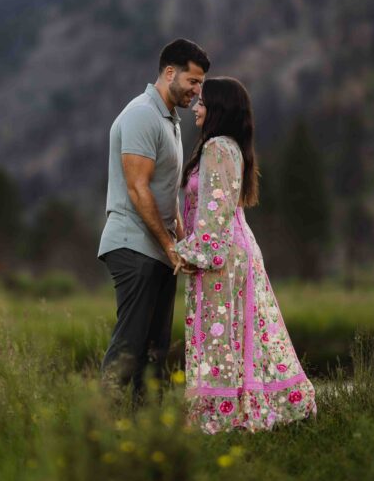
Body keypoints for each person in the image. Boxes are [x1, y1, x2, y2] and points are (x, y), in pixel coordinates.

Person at [173, 77, 317, 433]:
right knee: (238, 331)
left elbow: (215, 211)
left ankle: (222, 415)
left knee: (221, 332)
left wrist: (189, 253)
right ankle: (237, 409)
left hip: (220, 254)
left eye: (202, 102)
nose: (196, 108)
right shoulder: (227, 147)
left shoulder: (218, 149)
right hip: (230, 248)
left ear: (218, 108)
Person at [99, 38, 211, 406]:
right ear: (169, 72)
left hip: (159, 250)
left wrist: (183, 245)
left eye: (200, 85)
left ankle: (146, 432)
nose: (197, 92)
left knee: (155, 352)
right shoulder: (142, 114)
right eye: (193, 82)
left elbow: (168, 197)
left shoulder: (170, 121)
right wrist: (167, 244)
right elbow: (137, 188)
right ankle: (100, 428)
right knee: (130, 346)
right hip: (133, 245)